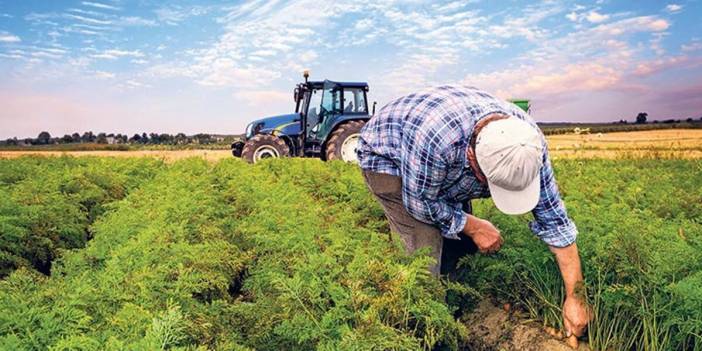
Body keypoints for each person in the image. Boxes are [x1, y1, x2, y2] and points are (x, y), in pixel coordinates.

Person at [356, 85, 590, 339]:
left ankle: (459, 312)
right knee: (423, 254)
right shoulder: (436, 140)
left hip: (439, 160)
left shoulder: (528, 145)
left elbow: (555, 221)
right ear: (472, 159)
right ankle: (422, 330)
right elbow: (420, 204)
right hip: (389, 158)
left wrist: (576, 297)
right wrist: (474, 226)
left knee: (460, 246)